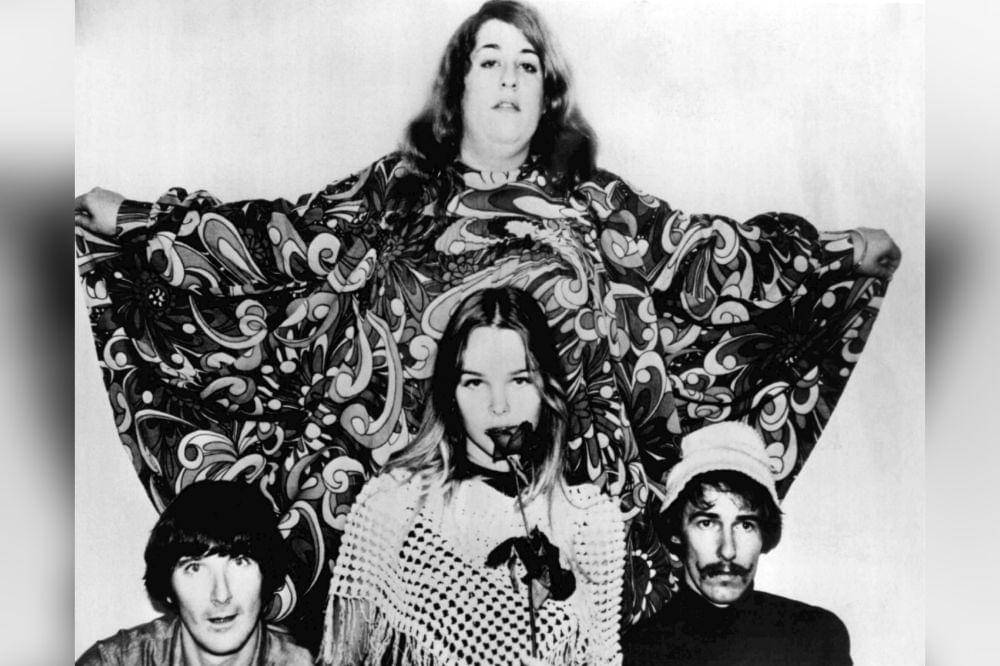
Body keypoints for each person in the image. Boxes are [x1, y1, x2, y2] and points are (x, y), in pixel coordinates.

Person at [74, 0, 901, 645]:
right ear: (459, 88)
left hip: (568, 515)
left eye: (527, 66)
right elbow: (278, 237)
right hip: (419, 520)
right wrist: (140, 222)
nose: (509, 80)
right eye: (490, 61)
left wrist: (830, 254)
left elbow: (706, 257)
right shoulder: (395, 194)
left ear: (548, 95)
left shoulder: (594, 204)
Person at [319, 286, 625, 665]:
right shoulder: (393, 506)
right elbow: (342, 658)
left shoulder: (591, 523)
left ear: (546, 387)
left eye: (519, 380)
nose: (500, 406)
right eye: (475, 382)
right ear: (451, 393)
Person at [622, 421, 852, 665]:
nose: (728, 550)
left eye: (745, 525)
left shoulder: (818, 638)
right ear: (677, 532)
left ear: (764, 535)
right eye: (707, 523)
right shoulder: (638, 653)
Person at [76, 480, 313, 665]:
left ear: (267, 575)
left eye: (240, 562)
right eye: (195, 568)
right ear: (169, 589)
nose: (221, 595)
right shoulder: (113, 662)